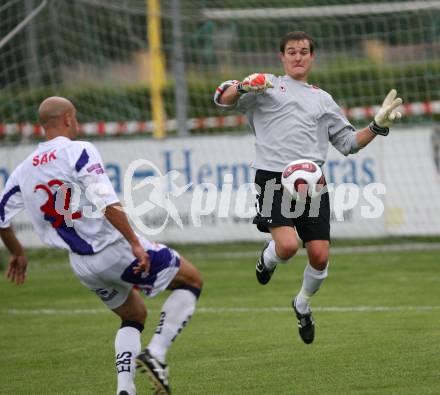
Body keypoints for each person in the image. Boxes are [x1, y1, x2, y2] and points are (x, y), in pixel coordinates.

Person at [0, 96, 202, 395]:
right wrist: (134, 243)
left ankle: (125, 388)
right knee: (192, 280)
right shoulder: (78, 150)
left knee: (134, 316)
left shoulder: (23, 170)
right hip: (112, 248)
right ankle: (156, 354)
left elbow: (1, 216)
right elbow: (105, 199)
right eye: (76, 116)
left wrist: (17, 252)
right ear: (68, 118)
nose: (78, 122)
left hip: (82, 265)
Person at [214, 31, 402, 344]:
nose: (298, 57)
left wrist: (377, 125)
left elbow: (348, 143)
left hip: (312, 183)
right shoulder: (266, 86)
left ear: (312, 57)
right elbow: (221, 97)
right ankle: (267, 259)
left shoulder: (322, 99)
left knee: (319, 255)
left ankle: (302, 304)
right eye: (292, 52)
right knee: (287, 247)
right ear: (282, 57)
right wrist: (244, 85)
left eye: (304, 52)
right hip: (273, 178)